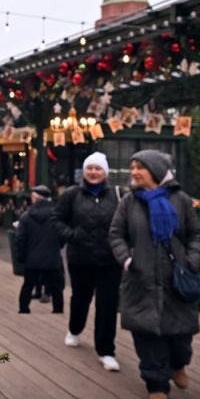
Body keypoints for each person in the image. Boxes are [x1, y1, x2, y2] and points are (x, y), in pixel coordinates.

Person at [109, 149, 200, 399]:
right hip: (141, 280)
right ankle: (156, 382)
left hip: (177, 280)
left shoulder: (181, 200)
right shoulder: (129, 202)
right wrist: (128, 259)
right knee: (146, 335)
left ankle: (178, 365)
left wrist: (192, 261)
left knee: (181, 336)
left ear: (157, 171)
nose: (135, 172)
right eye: (133, 167)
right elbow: (116, 234)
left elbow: (196, 234)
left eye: (141, 167)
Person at [54, 151, 124, 372]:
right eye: (90, 168)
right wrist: (72, 235)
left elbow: (126, 223)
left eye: (98, 168)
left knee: (108, 304)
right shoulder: (72, 194)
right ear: (84, 171)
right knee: (81, 298)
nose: (94, 172)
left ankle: (106, 350)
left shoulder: (118, 195)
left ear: (105, 172)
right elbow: (57, 219)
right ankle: (75, 329)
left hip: (109, 259)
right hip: (80, 258)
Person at [14, 185, 64, 314]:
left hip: (32, 259)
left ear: (36, 198)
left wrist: (21, 257)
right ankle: (58, 310)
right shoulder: (57, 216)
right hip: (52, 258)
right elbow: (62, 235)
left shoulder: (26, 217)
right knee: (56, 287)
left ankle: (23, 309)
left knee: (28, 285)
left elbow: (20, 239)